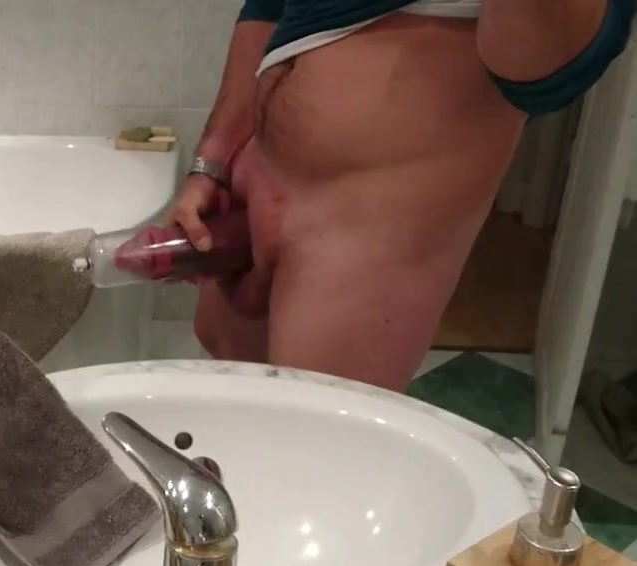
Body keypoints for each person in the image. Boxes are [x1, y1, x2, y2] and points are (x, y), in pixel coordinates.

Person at [173, 0, 635, 392]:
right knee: (231, 420)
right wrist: (216, 154)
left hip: (365, 230)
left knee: (320, 452)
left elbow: (550, 68)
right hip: (254, 187)